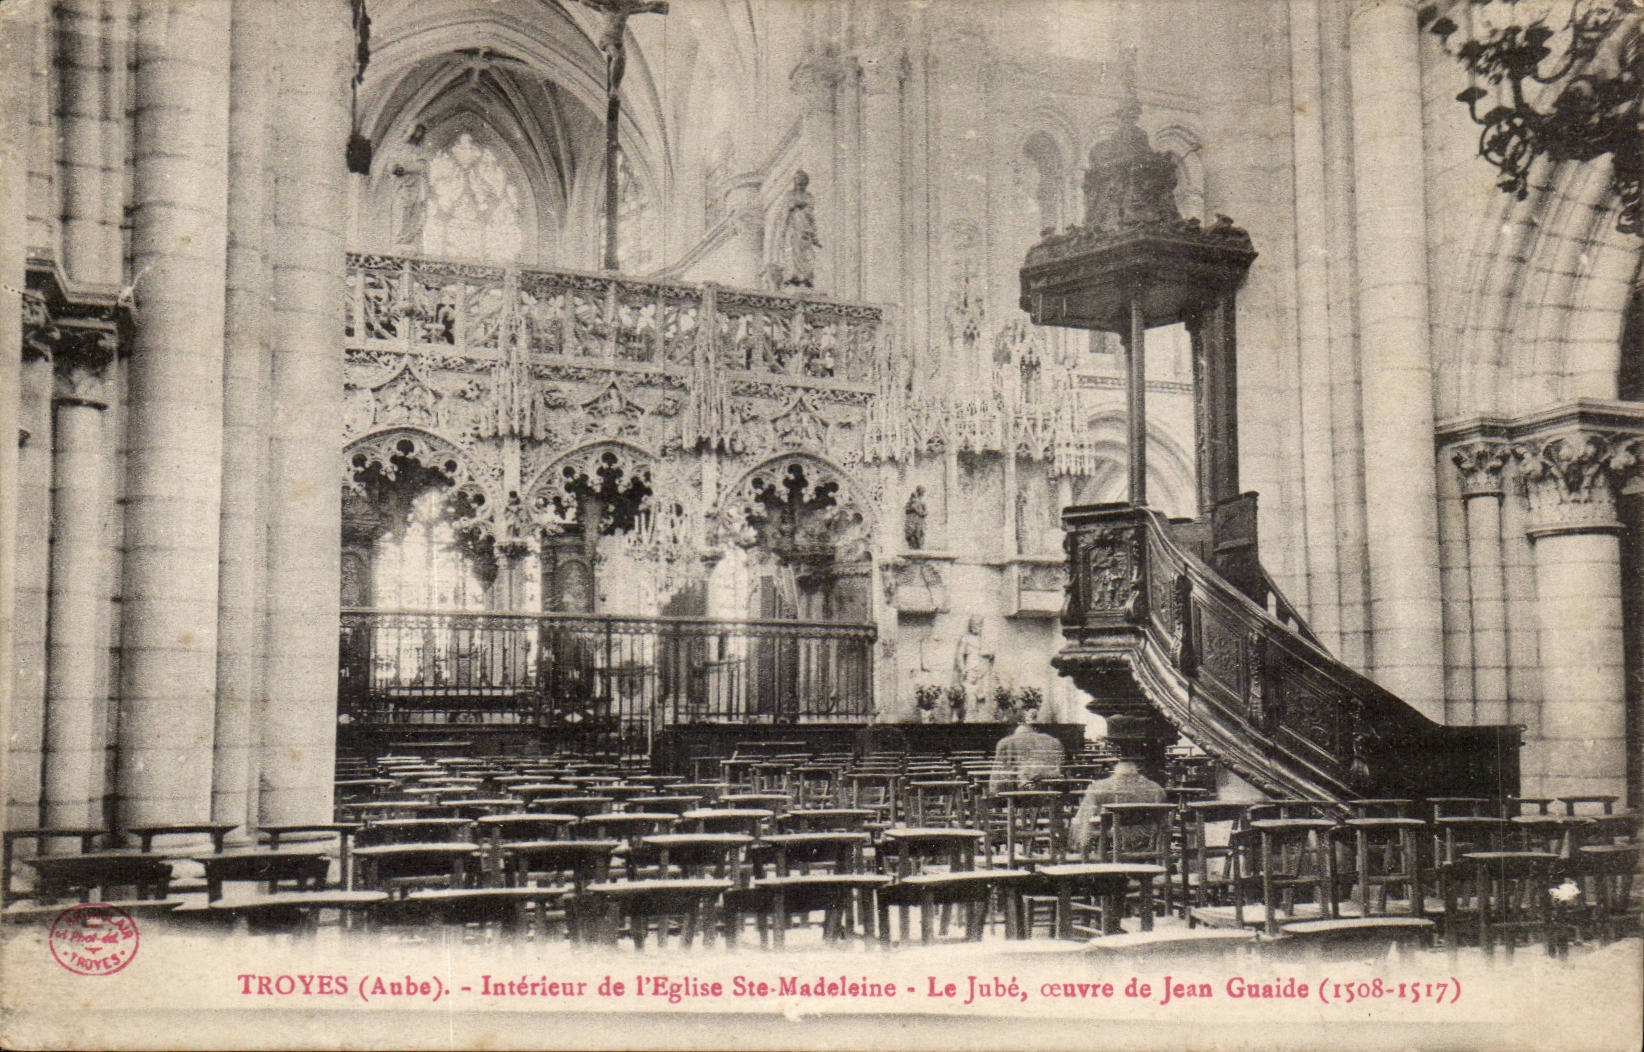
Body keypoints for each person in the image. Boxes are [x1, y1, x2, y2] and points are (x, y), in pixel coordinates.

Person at [1068, 759, 1166, 856]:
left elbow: (1084, 817)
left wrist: (1080, 842)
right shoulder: (1156, 788)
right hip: (1146, 837)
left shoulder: (1098, 787)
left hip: (1111, 835)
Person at [986, 712, 1067, 794]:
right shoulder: (1054, 741)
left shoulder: (1006, 743)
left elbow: (997, 781)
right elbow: (1061, 769)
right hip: (1055, 790)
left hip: (1022, 793)